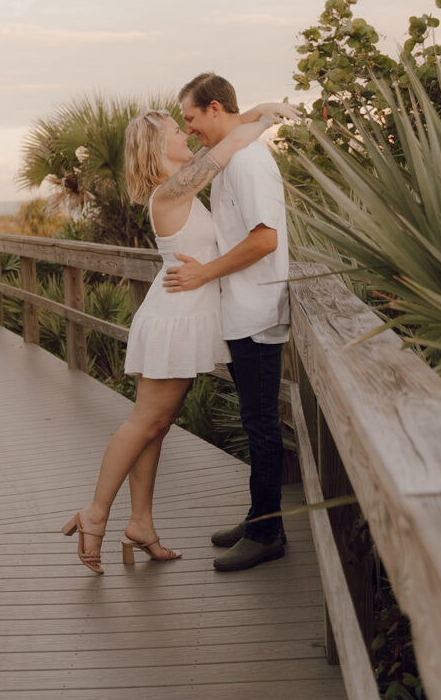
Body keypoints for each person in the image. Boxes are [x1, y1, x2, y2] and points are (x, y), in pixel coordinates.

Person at [61, 98, 295, 574]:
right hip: (174, 320)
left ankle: (141, 525)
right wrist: (266, 118)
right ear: (155, 147)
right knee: (143, 424)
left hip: (183, 317)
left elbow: (225, 134)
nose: (185, 135)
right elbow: (227, 145)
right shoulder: (170, 192)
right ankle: (95, 514)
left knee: (156, 426)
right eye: (175, 131)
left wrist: (258, 109)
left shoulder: (175, 190)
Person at [165, 72, 291, 572]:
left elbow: (265, 239)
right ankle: (260, 515)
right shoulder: (234, 157)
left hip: (257, 310)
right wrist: (260, 112)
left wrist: (204, 275)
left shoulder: (251, 164)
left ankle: (268, 533)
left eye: (192, 118)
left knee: (261, 425)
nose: (189, 128)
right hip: (240, 309)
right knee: (253, 419)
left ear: (215, 109)